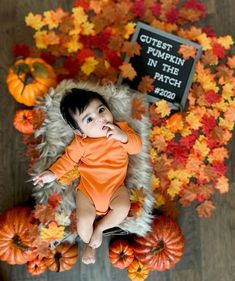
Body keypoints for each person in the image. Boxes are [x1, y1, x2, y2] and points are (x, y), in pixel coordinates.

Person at [33, 88, 142, 264]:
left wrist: (122, 137)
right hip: (88, 191)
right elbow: (68, 160)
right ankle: (89, 244)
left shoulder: (121, 130)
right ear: (80, 132)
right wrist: (52, 174)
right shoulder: (81, 143)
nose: (100, 119)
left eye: (101, 110)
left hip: (115, 188)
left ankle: (100, 228)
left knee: (123, 207)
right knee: (84, 220)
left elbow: (136, 147)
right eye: (89, 119)